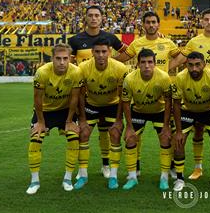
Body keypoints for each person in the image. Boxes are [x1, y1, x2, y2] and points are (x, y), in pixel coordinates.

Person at [169, 8, 210, 180]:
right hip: (195, 91)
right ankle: (198, 167)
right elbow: (181, 59)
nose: (208, 22)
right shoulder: (194, 41)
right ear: (201, 21)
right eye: (205, 19)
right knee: (197, 131)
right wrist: (162, 70)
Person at [114, 11, 180, 177]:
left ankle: (171, 167)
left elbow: (181, 57)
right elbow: (120, 59)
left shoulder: (167, 42)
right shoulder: (137, 43)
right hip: (140, 94)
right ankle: (135, 167)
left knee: (168, 134)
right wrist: (109, 60)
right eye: (148, 22)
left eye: (153, 22)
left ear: (158, 24)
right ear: (143, 25)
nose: (151, 25)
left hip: (162, 95)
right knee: (136, 136)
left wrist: (168, 67)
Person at [68, 5, 126, 179]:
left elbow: (128, 52)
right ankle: (82, 170)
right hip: (88, 92)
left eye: (97, 15)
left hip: (108, 94)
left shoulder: (110, 37)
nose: (94, 18)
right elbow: (69, 62)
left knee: (106, 131)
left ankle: (106, 165)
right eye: (90, 15)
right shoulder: (75, 40)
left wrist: (110, 63)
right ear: (85, 18)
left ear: (102, 18)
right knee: (83, 132)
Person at [26, 43, 83, 195]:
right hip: (45, 111)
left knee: (73, 138)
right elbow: (37, 99)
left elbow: (74, 98)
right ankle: (34, 181)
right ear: (52, 58)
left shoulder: (76, 72)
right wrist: (41, 122)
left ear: (70, 58)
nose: (62, 62)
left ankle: (67, 178)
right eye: (58, 58)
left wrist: (69, 121)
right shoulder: (42, 72)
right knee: (35, 140)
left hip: (65, 111)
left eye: (65, 58)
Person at [74, 38, 129, 190]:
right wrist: (82, 120)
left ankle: (113, 175)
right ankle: (83, 175)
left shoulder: (120, 68)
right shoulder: (83, 68)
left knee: (116, 134)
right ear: (92, 52)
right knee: (83, 133)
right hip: (92, 104)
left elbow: (122, 97)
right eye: (97, 52)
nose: (100, 55)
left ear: (110, 52)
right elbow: (80, 95)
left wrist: (119, 120)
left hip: (112, 105)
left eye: (104, 51)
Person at [171, 51, 210, 191]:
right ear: (186, 65)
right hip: (188, 110)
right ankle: (179, 178)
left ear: (204, 64)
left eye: (197, 65)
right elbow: (176, 104)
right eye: (190, 65)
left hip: (209, 111)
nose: (194, 68)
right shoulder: (180, 77)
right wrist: (177, 131)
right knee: (178, 141)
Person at [121, 49, 172, 190]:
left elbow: (169, 102)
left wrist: (167, 126)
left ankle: (164, 177)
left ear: (155, 64)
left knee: (166, 138)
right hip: (138, 111)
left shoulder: (164, 77)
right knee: (131, 138)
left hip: (159, 111)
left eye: (150, 62)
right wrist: (129, 127)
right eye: (143, 62)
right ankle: (132, 177)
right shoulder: (130, 79)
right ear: (138, 64)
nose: (147, 65)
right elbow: (126, 102)